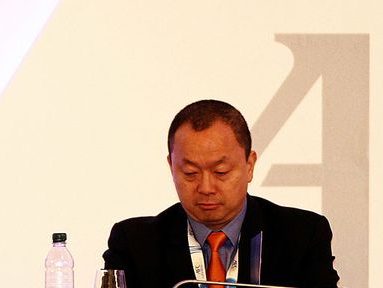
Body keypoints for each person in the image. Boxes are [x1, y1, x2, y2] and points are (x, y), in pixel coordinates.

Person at [103, 99, 340, 288]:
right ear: (171, 166)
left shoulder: (302, 236)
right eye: (190, 173)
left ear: (249, 165)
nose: (206, 188)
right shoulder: (134, 243)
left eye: (221, 172)